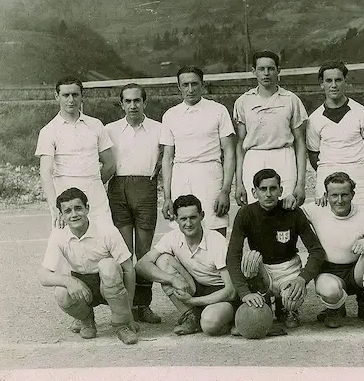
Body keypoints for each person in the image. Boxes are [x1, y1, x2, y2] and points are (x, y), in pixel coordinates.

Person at [226, 168, 326, 329]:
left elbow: (316, 251)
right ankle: (262, 301)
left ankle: (286, 308)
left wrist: (302, 278)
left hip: (288, 268)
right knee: (250, 258)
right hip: (262, 269)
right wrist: (244, 293)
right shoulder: (245, 213)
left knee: (291, 302)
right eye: (263, 189)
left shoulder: (292, 212)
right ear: (254, 192)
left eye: (273, 188)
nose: (268, 194)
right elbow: (232, 256)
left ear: (280, 190)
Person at [38, 188, 139, 344]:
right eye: (68, 211)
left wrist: (129, 310)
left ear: (87, 208)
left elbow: (128, 268)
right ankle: (86, 319)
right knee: (61, 292)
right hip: (82, 284)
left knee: (108, 265)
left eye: (78, 208)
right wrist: (69, 281)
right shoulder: (58, 235)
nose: (74, 214)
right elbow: (43, 276)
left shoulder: (107, 231)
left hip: (110, 283)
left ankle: (122, 324)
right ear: (62, 216)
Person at [301, 172, 364, 332]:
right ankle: (335, 309)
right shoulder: (316, 209)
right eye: (334, 195)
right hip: (329, 272)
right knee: (329, 290)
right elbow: (289, 214)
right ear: (326, 195)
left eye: (344, 195)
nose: (339, 200)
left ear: (353, 194)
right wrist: (289, 200)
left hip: (356, 274)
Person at [135, 194, 238, 336]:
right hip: (196, 286)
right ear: (176, 219)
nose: (188, 224)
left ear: (202, 215)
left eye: (193, 217)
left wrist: (193, 301)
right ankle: (191, 316)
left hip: (220, 293)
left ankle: (229, 319)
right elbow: (141, 265)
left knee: (209, 324)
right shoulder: (173, 236)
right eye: (183, 219)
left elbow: (231, 291)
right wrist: (172, 279)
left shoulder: (216, 241)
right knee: (162, 260)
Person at [105, 83, 162, 324]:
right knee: (124, 253)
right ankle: (125, 306)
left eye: (137, 100)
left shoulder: (159, 129)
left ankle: (143, 304)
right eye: (127, 101)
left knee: (144, 252)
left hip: (145, 189)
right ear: (121, 104)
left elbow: (167, 160)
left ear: (144, 102)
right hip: (118, 189)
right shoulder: (110, 130)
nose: (133, 105)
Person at [160, 66, 235, 237]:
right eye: (185, 84)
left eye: (194, 84)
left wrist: (225, 191)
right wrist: (167, 197)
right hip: (182, 176)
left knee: (215, 229)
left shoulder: (218, 110)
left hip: (210, 175)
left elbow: (229, 152)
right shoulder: (170, 115)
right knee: (183, 232)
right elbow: (168, 158)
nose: (190, 89)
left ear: (202, 84)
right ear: (179, 87)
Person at [35, 76, 115, 229]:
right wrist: (55, 206)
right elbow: (45, 173)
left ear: (81, 96)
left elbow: (110, 164)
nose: (71, 100)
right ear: (57, 96)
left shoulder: (96, 125)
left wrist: (93, 182)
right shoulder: (48, 131)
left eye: (75, 95)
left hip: (95, 196)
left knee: (103, 240)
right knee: (68, 244)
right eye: (66, 95)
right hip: (66, 197)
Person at [233, 50, 308, 210]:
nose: (266, 73)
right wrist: (238, 183)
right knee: (256, 211)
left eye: (271, 68)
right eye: (261, 69)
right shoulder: (243, 101)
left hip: (284, 156)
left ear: (278, 70)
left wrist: (301, 184)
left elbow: (300, 143)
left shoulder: (291, 100)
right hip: (254, 157)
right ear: (254, 71)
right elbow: (240, 144)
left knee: (286, 208)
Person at [306, 61, 364, 211]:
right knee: (328, 227)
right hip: (327, 177)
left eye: (338, 80)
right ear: (322, 84)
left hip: (358, 177)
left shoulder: (362, 113)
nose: (334, 85)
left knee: (363, 223)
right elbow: (314, 157)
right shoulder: (314, 119)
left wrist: (359, 168)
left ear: (345, 81)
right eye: (329, 81)